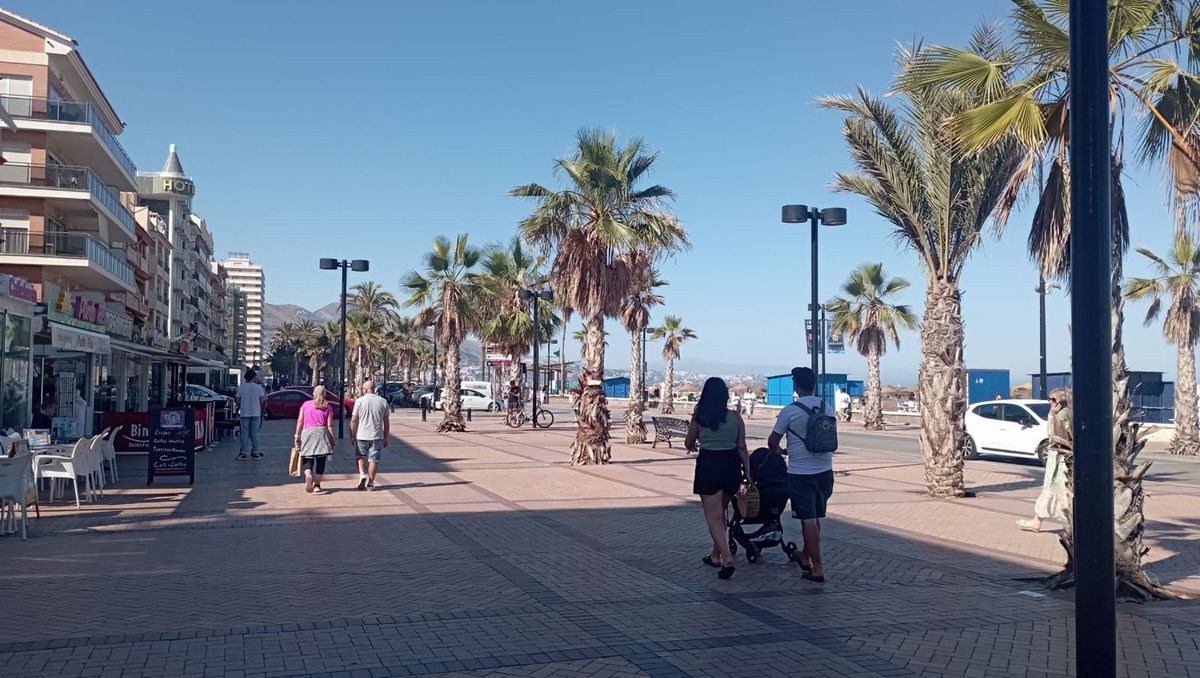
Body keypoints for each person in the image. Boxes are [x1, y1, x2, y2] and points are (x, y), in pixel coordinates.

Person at [768, 367, 836, 583]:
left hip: (800, 473)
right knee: (814, 517)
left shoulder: (790, 411)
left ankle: (818, 568)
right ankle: (805, 556)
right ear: (814, 385)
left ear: (796, 385)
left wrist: (780, 451)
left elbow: (772, 442)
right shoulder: (827, 407)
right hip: (825, 471)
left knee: (807, 520)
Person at [684, 377, 750, 580]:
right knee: (720, 513)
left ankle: (727, 558)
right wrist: (748, 472)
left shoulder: (700, 417)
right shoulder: (736, 418)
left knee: (713, 516)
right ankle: (715, 556)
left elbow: (688, 442)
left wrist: (697, 442)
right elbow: (742, 447)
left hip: (709, 465)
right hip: (731, 466)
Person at [1018, 388, 1072, 532]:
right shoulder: (1064, 413)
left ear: (1061, 401)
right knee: (1052, 491)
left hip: (1061, 458)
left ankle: (1039, 521)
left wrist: (1052, 415)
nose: (1050, 402)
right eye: (1050, 399)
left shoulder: (1063, 414)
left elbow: (1054, 434)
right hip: (1058, 457)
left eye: (1054, 399)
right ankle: (1037, 521)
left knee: (1058, 491)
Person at [294, 385, 336, 494]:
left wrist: (297, 435)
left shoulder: (305, 405)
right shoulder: (327, 406)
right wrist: (332, 438)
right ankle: (317, 485)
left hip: (307, 433)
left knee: (308, 458)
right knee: (321, 460)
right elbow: (330, 425)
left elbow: (300, 421)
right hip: (321, 432)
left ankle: (308, 474)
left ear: (314, 394)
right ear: (324, 394)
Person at [351, 380, 390, 491]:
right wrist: (386, 437)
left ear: (366, 389)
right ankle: (371, 483)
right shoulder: (383, 401)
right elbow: (386, 421)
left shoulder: (359, 401)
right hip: (377, 435)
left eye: (363, 388)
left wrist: (352, 434)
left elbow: (354, 420)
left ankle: (362, 474)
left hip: (362, 434)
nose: (362, 390)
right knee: (373, 459)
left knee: (360, 456)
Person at [236, 369, 267, 460]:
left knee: (244, 433)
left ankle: (243, 453)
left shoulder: (241, 387)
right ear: (254, 377)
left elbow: (237, 399)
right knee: (255, 433)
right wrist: (258, 407)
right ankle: (256, 452)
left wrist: (241, 405)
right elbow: (262, 400)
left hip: (244, 413)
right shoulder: (258, 388)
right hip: (256, 413)